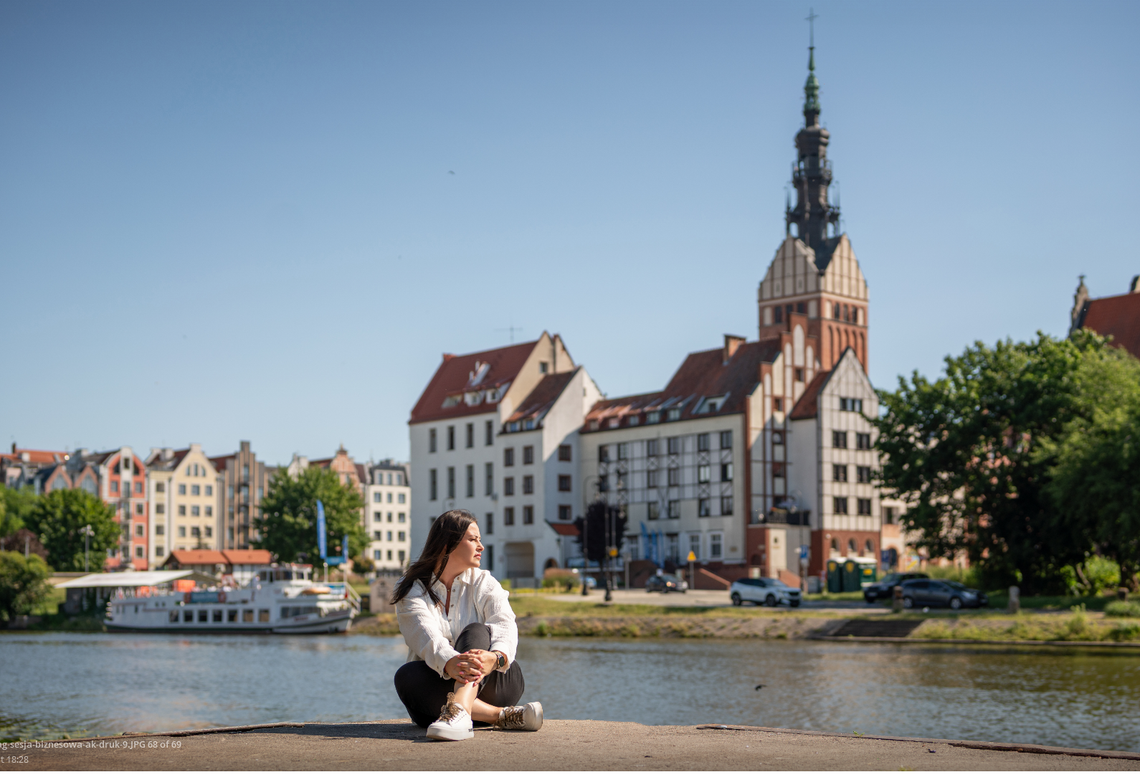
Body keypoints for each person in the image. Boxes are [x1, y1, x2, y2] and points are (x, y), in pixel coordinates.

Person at [391, 509, 543, 741]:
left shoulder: (484, 582)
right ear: (447, 544)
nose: (481, 546)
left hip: (496, 684)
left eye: (479, 540)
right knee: (407, 676)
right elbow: (424, 636)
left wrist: (495, 658)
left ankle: (459, 709)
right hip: (433, 693)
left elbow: (505, 624)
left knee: (476, 630)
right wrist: (449, 662)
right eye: (473, 539)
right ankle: (500, 716)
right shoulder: (412, 589)